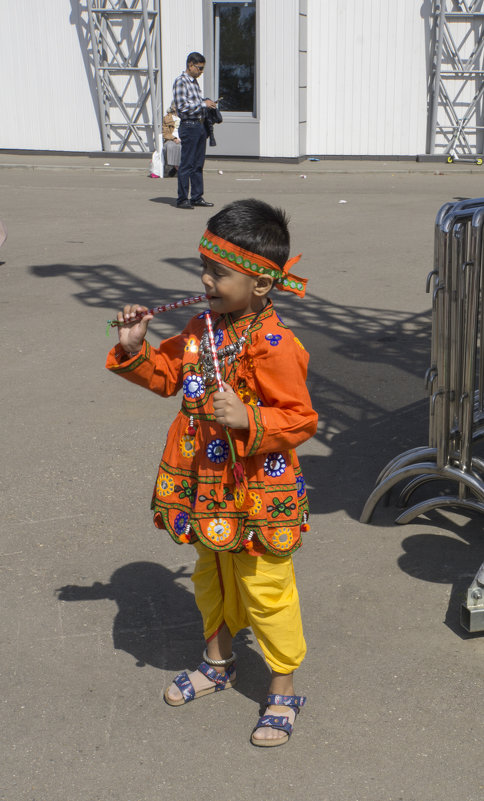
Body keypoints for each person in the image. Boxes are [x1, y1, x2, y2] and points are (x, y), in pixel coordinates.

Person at [105, 199, 318, 747]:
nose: (205, 280)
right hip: (204, 483)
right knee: (211, 574)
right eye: (203, 266)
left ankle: (282, 687)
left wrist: (251, 418)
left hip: (258, 490)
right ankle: (218, 662)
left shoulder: (275, 345)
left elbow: (301, 418)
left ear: (262, 284)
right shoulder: (202, 327)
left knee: (266, 586)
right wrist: (135, 349)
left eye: (218, 272)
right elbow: (170, 372)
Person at [172, 52, 217, 210]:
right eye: (199, 68)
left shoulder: (194, 83)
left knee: (198, 164)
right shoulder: (181, 82)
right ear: (190, 65)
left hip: (199, 126)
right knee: (187, 163)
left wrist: (206, 103)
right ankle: (182, 198)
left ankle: (197, 196)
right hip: (189, 126)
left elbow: (195, 102)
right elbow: (182, 106)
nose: (200, 72)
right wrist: (204, 104)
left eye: (202, 69)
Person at [162, 104, 181, 177]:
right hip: (171, 138)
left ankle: (179, 168)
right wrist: (174, 138)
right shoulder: (167, 118)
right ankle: (172, 167)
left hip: (182, 137)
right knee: (169, 146)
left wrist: (181, 138)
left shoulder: (185, 117)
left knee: (183, 146)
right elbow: (165, 132)